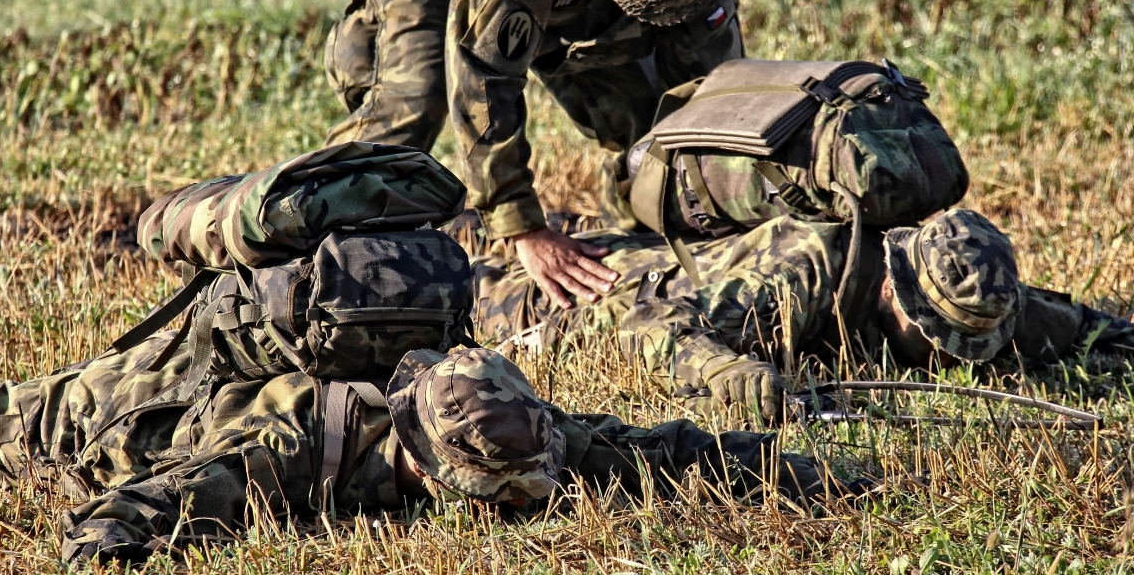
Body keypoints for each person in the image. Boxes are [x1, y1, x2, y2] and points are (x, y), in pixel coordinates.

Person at [324, 0, 743, 312]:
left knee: (646, 124)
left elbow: (717, 91)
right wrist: (522, 227)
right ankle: (317, 264)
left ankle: (635, 264)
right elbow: (482, 72)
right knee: (409, 107)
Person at [0, 342, 837, 564]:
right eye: (500, 500)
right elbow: (129, 512)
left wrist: (806, 472)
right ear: (438, 474)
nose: (527, 508)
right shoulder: (282, 454)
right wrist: (106, 548)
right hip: (141, 410)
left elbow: (663, 452)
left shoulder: (512, 425)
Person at [474, 208, 1133, 420]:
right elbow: (653, 328)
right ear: (893, 292)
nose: (949, 355)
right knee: (446, 281)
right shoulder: (797, 277)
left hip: (666, 260)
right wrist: (734, 374)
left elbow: (1079, 327)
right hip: (580, 301)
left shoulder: (971, 287)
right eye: (938, 338)